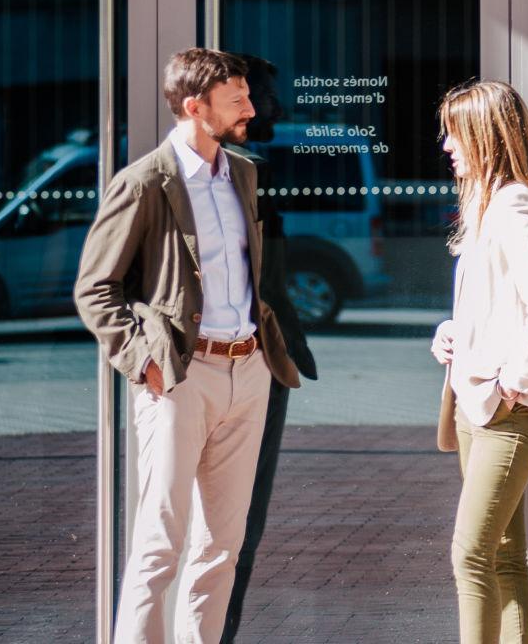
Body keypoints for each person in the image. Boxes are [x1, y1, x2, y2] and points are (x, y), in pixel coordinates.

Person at [74, 49, 303, 644]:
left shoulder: (244, 173)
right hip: (180, 376)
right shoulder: (145, 182)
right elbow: (96, 288)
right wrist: (142, 360)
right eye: (238, 100)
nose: (252, 108)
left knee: (221, 546)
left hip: (247, 372)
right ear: (195, 107)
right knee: (160, 542)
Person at [430, 80, 528, 644]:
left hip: (505, 411)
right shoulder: (490, 208)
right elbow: (497, 304)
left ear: (486, 137)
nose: (445, 145)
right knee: (505, 559)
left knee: (471, 555)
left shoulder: (515, 208)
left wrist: (515, 381)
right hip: (478, 407)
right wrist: (452, 333)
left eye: (455, 132)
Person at [220, 55, 317, 644]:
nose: (273, 108)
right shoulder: (235, 173)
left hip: (261, 359)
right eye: (263, 96)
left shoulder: (251, 169)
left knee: (237, 527)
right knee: (235, 526)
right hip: (237, 365)